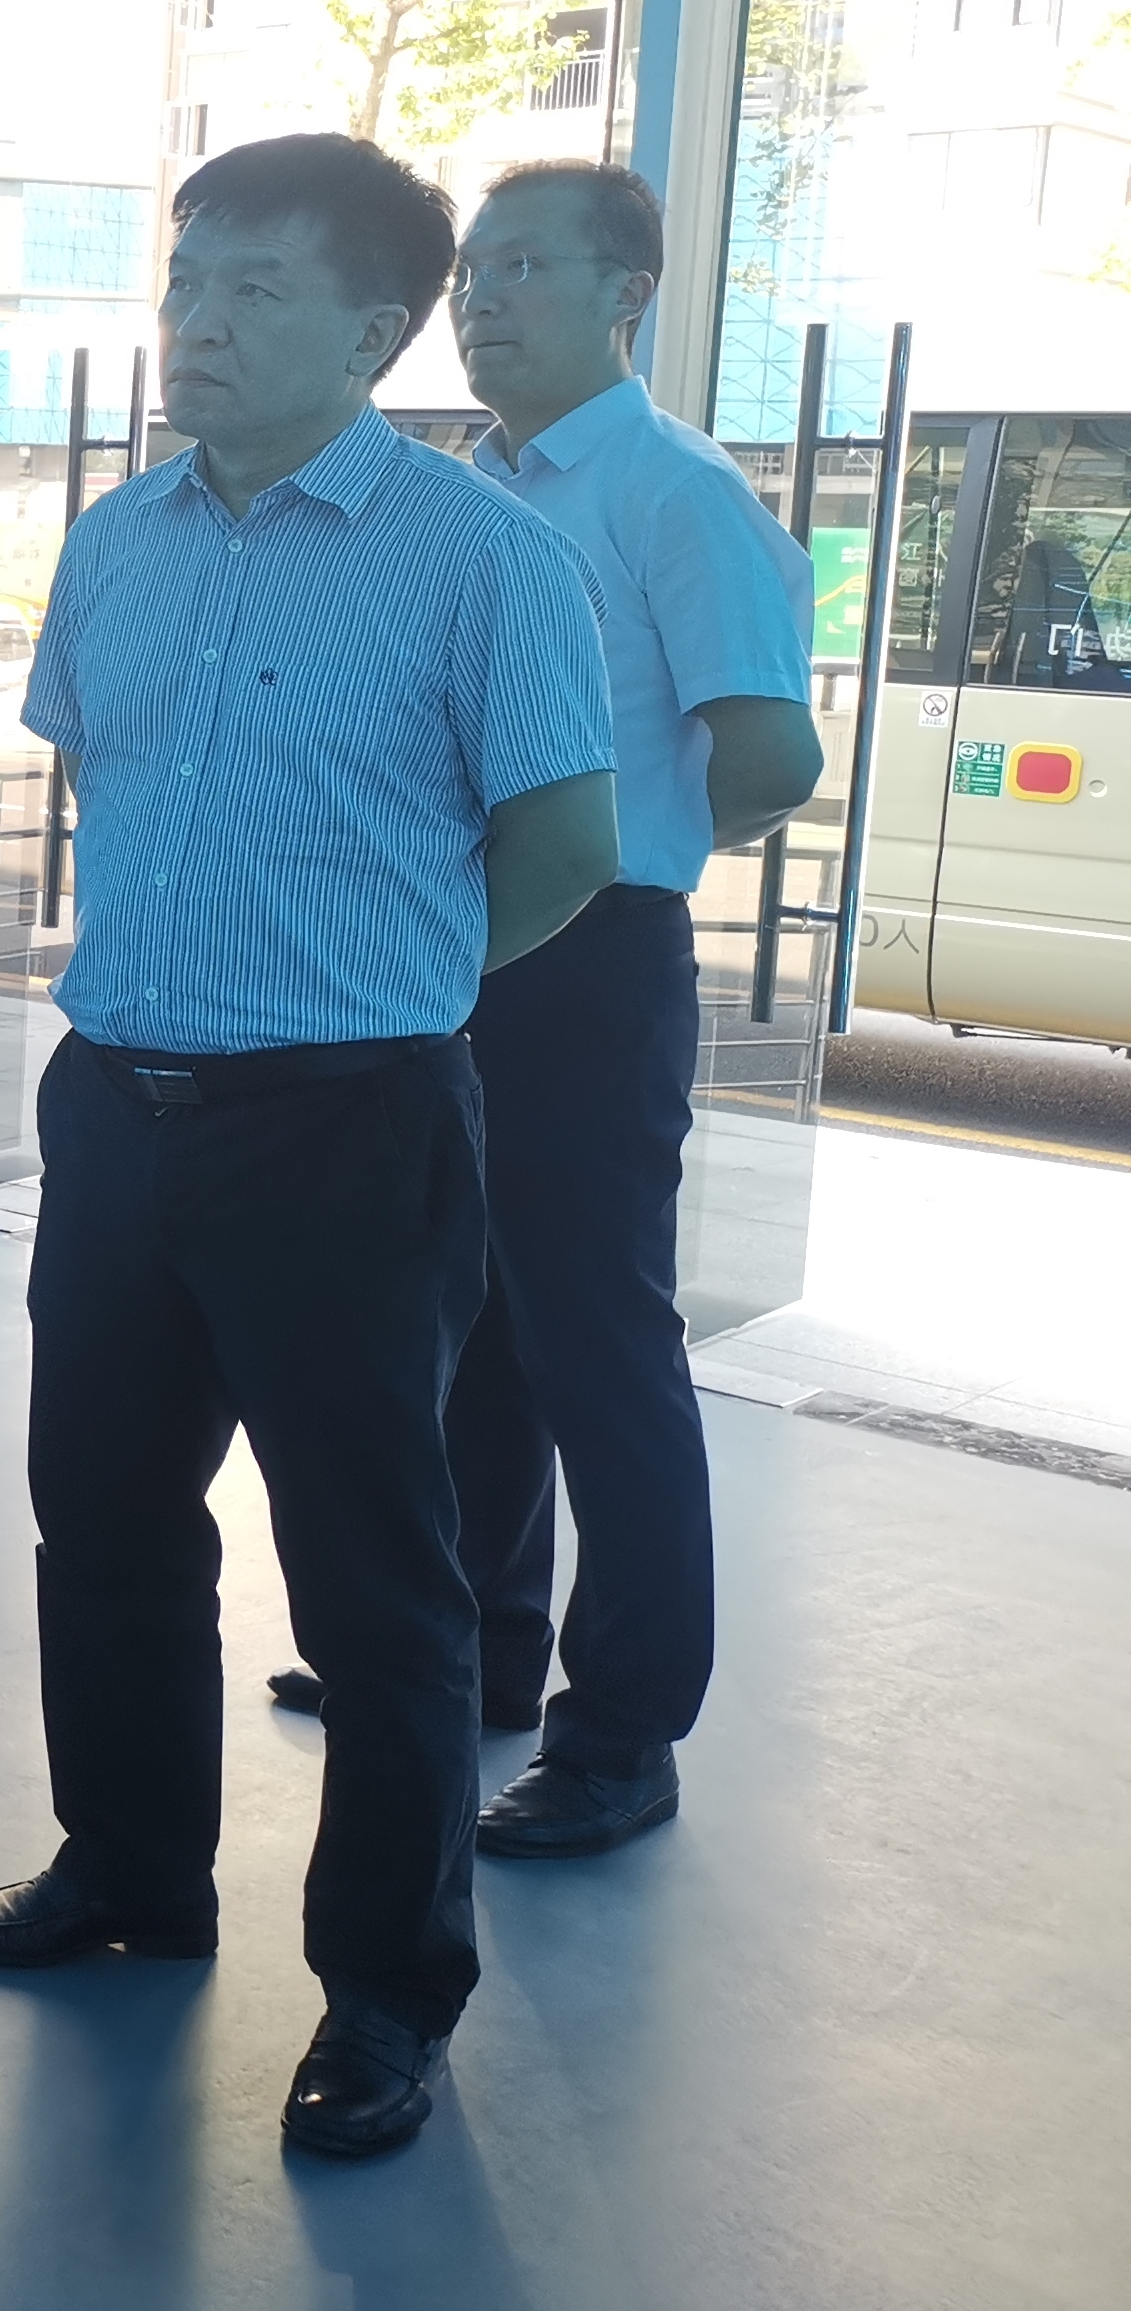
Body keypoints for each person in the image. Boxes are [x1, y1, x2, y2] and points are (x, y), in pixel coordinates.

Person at [0, 133, 618, 2164]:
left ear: (375, 331)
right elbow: (115, 779)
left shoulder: (481, 557)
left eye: (253, 289)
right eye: (185, 281)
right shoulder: (115, 541)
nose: (197, 324)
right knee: (101, 1518)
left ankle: (388, 1991)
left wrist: (386, 985)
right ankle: (131, 1870)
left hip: (348, 1127)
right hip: (115, 1108)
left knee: (375, 1586)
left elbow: (564, 844)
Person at [269, 161, 820, 1858]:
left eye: (522, 267)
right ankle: (487, 1653)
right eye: (474, 273)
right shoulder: (466, 486)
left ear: (623, 296)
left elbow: (770, 754)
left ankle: (621, 1734)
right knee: (469, 1331)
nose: (482, 299)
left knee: (597, 1347)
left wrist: (634, 850)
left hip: (591, 958)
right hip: (455, 949)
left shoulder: (673, 493)